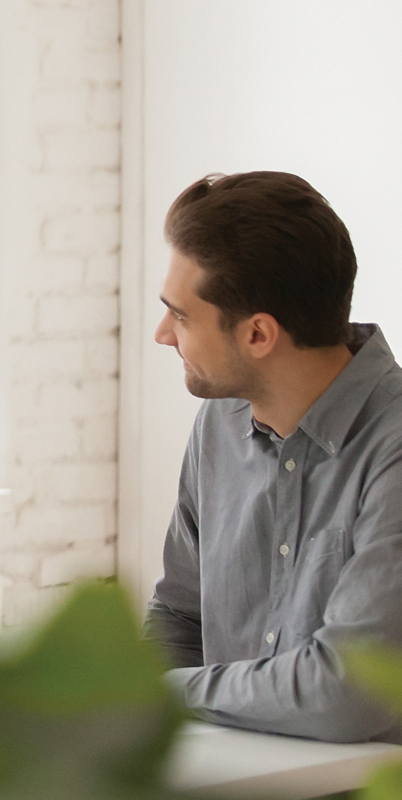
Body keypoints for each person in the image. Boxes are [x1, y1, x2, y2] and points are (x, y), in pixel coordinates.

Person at [143, 172, 402, 743]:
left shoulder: (394, 449)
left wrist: (166, 693)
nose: (163, 334)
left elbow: (347, 694)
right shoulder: (220, 423)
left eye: (181, 315)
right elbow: (180, 618)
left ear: (259, 334)